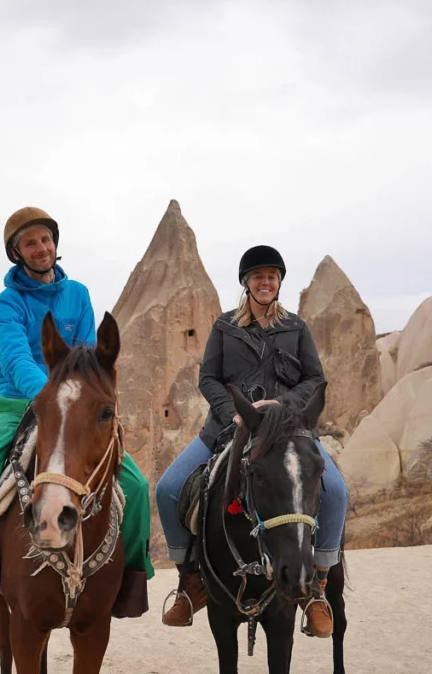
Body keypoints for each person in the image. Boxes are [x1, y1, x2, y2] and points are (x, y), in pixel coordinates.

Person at [0, 207, 154, 634]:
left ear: (55, 243)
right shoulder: (7, 303)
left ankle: (131, 577)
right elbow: (16, 356)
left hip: (73, 407)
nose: (41, 248)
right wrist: (48, 396)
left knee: (137, 486)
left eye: (45, 240)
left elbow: (90, 356)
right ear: (17, 253)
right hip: (19, 404)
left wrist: (73, 400)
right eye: (30, 243)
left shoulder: (78, 294)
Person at [154, 245, 348, 638]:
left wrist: (281, 405)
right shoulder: (225, 327)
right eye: (258, 276)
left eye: (272, 276)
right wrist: (236, 413)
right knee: (168, 489)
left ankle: (317, 589)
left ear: (279, 283)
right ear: (246, 282)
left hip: (289, 429)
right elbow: (208, 378)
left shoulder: (296, 327)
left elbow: (314, 379)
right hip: (228, 427)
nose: (265, 282)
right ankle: (190, 581)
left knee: (336, 493)